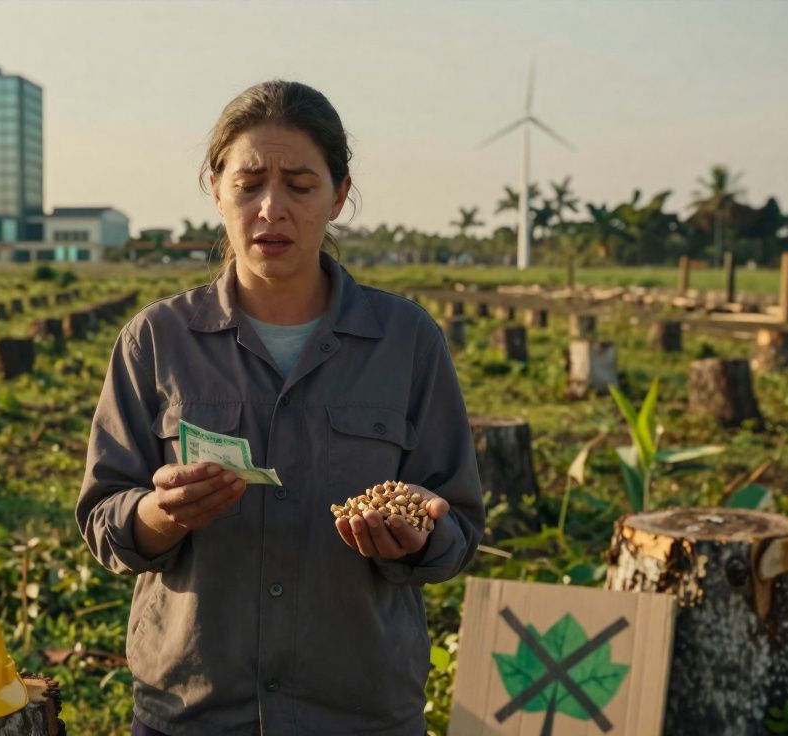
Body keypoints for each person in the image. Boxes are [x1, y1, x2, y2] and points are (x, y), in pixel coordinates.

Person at [76, 80, 484, 736]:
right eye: (249, 183)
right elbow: (104, 517)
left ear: (339, 196)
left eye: (300, 184)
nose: (272, 208)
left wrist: (419, 536)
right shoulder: (157, 341)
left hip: (361, 711)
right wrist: (160, 515)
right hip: (195, 709)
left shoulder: (407, 341)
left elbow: (457, 526)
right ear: (215, 188)